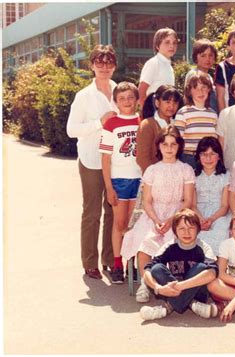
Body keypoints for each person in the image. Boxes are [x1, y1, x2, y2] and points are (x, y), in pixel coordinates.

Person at [121, 126, 194, 303]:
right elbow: (147, 201)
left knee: (173, 242)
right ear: (159, 147)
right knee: (145, 241)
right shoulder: (152, 170)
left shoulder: (186, 169)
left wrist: (171, 220)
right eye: (165, 144)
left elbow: (188, 201)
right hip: (153, 215)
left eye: (173, 144)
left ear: (179, 147)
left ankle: (171, 284)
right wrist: (156, 220)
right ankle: (146, 284)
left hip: (177, 216)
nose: (169, 149)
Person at [66, 44, 117, 280]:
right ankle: (89, 262)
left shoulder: (119, 91)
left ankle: (109, 259)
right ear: (92, 66)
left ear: (114, 66)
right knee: (92, 212)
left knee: (113, 212)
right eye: (99, 62)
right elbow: (71, 130)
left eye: (108, 63)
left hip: (116, 160)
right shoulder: (84, 96)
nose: (104, 67)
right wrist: (99, 122)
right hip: (91, 160)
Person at [139, 209, 218, 321]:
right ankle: (191, 304)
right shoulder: (170, 246)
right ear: (175, 231)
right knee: (156, 269)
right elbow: (147, 270)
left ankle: (166, 309)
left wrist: (181, 286)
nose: (187, 233)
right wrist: (159, 289)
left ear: (198, 230)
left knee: (201, 268)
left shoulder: (203, 247)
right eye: (182, 229)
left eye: (191, 228)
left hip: (197, 292)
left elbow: (212, 274)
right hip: (170, 290)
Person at [99, 82, 141, 284]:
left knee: (134, 225)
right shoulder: (111, 124)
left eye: (130, 97)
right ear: (115, 102)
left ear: (137, 99)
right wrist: (108, 187)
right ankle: (117, 263)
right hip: (119, 179)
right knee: (120, 223)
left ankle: (131, 263)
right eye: (122, 98)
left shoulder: (142, 121)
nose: (127, 102)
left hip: (140, 179)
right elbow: (105, 158)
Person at [192, 137, 231, 254]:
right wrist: (201, 219)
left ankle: (216, 266)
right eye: (204, 154)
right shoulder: (193, 175)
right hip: (198, 214)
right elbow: (192, 205)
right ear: (198, 156)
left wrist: (211, 219)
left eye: (212, 154)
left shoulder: (225, 176)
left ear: (219, 156)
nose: (208, 158)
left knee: (221, 231)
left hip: (219, 214)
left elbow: (225, 206)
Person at [174, 71, 218, 169]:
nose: (200, 92)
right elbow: (177, 140)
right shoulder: (183, 113)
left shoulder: (213, 114)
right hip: (189, 158)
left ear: (209, 89)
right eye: (196, 88)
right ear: (189, 91)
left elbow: (215, 140)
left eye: (203, 87)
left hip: (208, 158)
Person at [136, 85, 183, 173]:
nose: (171, 106)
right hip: (154, 179)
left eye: (175, 103)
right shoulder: (147, 125)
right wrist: (155, 178)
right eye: (167, 102)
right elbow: (142, 158)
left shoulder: (178, 124)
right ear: (157, 103)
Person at [138, 28, 178, 108]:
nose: (171, 46)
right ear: (157, 46)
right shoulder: (153, 63)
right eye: (167, 42)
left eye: (174, 43)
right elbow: (141, 91)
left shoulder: (169, 66)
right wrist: (147, 112)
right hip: (153, 113)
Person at [185, 39, 218, 112]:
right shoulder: (193, 74)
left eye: (210, 55)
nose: (207, 59)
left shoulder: (209, 77)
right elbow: (188, 99)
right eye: (203, 55)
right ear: (195, 57)